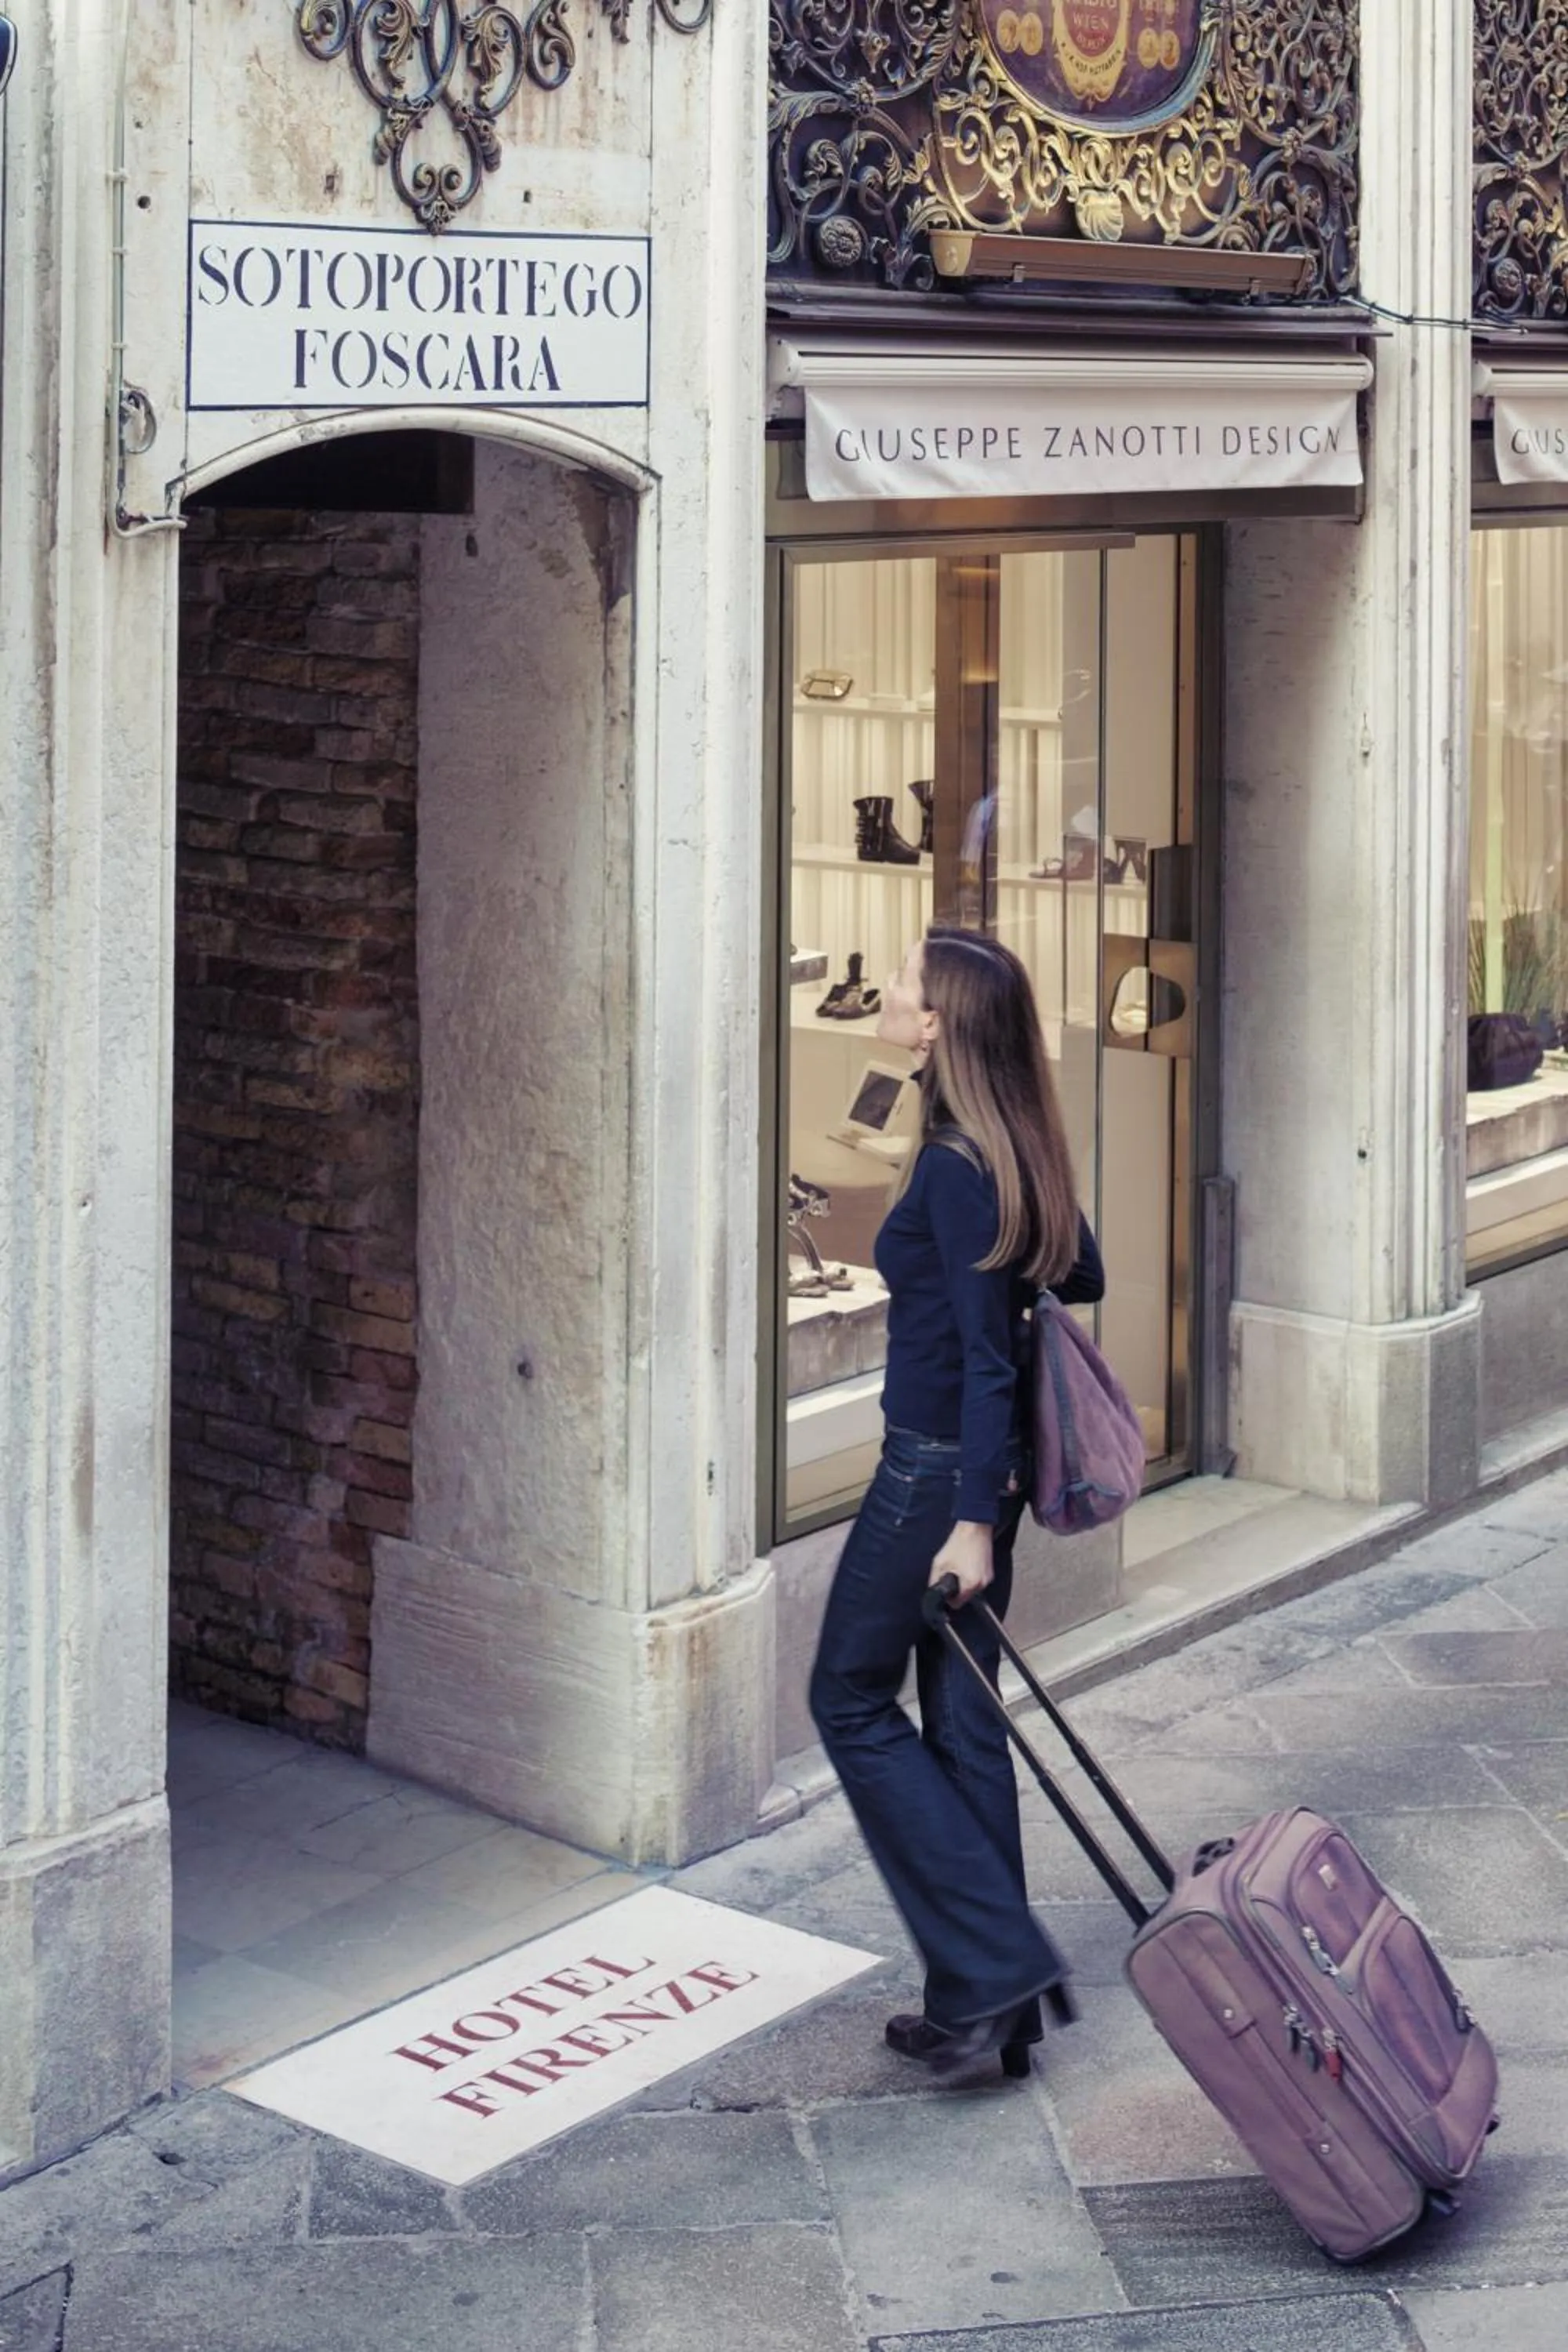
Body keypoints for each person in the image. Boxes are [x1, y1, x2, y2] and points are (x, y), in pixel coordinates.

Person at [808, 924, 1105, 2075]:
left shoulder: (952, 1164)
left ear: (934, 1025)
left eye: (902, 984)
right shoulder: (1008, 1142)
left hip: (938, 1476)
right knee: (966, 1720)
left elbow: (986, 1360)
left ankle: (993, 1968)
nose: (886, 991)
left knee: (847, 1699)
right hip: (983, 1471)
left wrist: (971, 1524)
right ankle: (991, 2012)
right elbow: (1082, 1270)